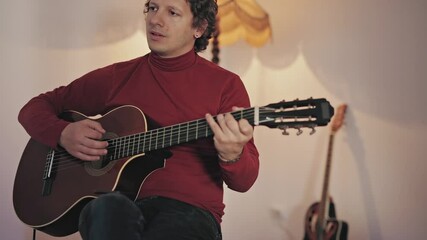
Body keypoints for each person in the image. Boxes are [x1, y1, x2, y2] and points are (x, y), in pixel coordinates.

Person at [18, 0, 260, 239]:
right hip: (117, 205)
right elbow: (33, 109)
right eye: (153, 8)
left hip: (190, 211)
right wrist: (62, 133)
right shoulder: (117, 77)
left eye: (172, 12)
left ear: (199, 27)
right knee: (104, 208)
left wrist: (232, 153)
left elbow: (244, 181)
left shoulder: (226, 85)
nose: (156, 19)